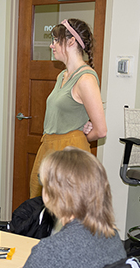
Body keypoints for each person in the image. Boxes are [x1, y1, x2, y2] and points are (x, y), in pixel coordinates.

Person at [29, 18, 107, 198]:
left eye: (56, 40)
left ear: (71, 41)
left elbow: (101, 130)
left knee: (63, 213)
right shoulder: (62, 76)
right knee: (39, 210)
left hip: (70, 155)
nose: (52, 45)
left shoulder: (86, 79)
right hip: (48, 147)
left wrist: (82, 134)